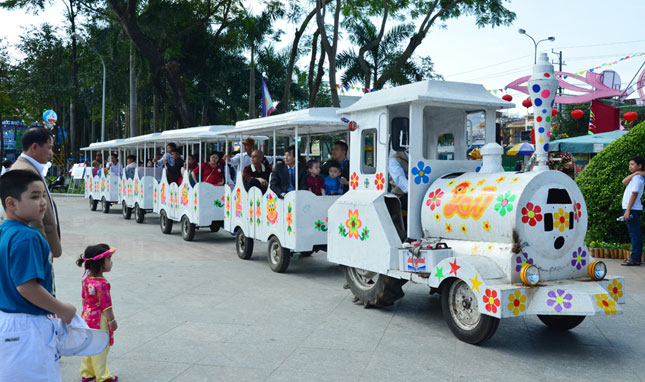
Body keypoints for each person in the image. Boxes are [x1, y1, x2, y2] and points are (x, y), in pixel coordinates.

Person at [0, 170, 76, 382]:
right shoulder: (27, 236)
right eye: (34, 197)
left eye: (44, 195)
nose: (43, 202)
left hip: (8, 321)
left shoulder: (5, 230)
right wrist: (62, 310)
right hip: (27, 327)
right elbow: (26, 286)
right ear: (11, 203)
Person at [11, 128, 62, 259]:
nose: (51, 153)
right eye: (49, 148)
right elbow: (33, 218)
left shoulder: (31, 168)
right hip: (39, 252)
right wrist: (43, 251)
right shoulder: (26, 171)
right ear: (34, 147)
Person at [76, 244, 118, 382]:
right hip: (99, 320)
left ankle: (87, 373)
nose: (111, 262)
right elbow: (107, 306)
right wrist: (111, 321)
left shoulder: (86, 280)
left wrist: (86, 314)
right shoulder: (102, 284)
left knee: (88, 345)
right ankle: (103, 376)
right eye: (109, 259)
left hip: (86, 317)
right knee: (101, 347)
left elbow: (84, 300)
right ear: (100, 264)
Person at [620, 156, 645, 266]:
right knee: (634, 234)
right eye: (629, 164)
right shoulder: (635, 177)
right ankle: (635, 258)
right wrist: (635, 173)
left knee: (635, 235)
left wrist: (628, 211)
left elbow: (634, 194)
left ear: (640, 166)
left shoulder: (638, 179)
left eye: (632, 164)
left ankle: (635, 259)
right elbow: (623, 181)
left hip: (633, 209)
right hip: (631, 209)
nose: (630, 166)